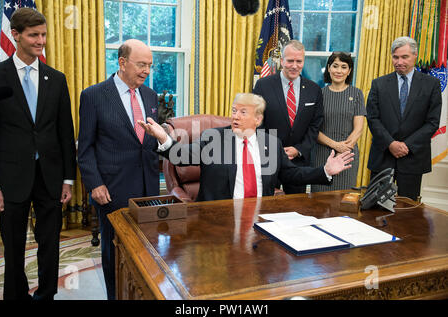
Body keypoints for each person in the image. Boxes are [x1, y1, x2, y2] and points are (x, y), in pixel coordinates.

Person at [138, 93, 354, 201]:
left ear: (258, 119)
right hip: (219, 219)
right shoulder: (214, 138)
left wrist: (324, 171)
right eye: (234, 111)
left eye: (243, 112)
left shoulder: (271, 142)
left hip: (261, 217)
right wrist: (162, 137)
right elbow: (181, 156)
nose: (235, 116)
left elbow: (291, 175)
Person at [0, 8, 76, 300]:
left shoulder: (56, 79)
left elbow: (65, 132)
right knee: (14, 246)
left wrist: (68, 179)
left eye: (43, 34)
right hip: (11, 178)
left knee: (49, 243)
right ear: (15, 35)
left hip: (50, 176)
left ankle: (46, 295)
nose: (41, 40)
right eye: (34, 35)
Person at [77, 39, 160, 300]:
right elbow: (85, 148)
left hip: (148, 188)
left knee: (147, 251)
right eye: (141, 64)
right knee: (114, 253)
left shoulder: (150, 95)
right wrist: (94, 184)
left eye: (150, 65)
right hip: (111, 189)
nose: (146, 71)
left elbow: (149, 141)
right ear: (122, 62)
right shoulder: (93, 96)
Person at [366, 36, 442, 201]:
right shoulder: (378, 84)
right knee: (375, 210)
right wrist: (391, 144)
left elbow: (432, 122)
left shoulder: (432, 84)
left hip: (413, 158)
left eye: (404, 57)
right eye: (396, 57)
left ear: (415, 56)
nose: (399, 61)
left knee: (408, 213)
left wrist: (406, 145)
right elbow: (373, 118)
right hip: (383, 157)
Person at [253, 40, 324, 194]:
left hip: (299, 162)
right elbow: (257, 122)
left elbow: (315, 125)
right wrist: (274, 149)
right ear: (282, 61)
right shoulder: (263, 85)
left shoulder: (314, 89)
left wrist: (299, 149)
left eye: (299, 61)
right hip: (269, 158)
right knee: (266, 208)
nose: (294, 65)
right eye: (290, 60)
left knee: (296, 208)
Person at [312, 52, 366, 192]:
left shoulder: (357, 94)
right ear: (329, 68)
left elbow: (358, 129)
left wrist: (344, 150)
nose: (339, 71)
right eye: (335, 66)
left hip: (347, 156)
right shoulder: (318, 94)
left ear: (349, 71)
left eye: (343, 67)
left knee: (343, 201)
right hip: (322, 154)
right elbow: (313, 129)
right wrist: (336, 145)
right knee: (319, 201)